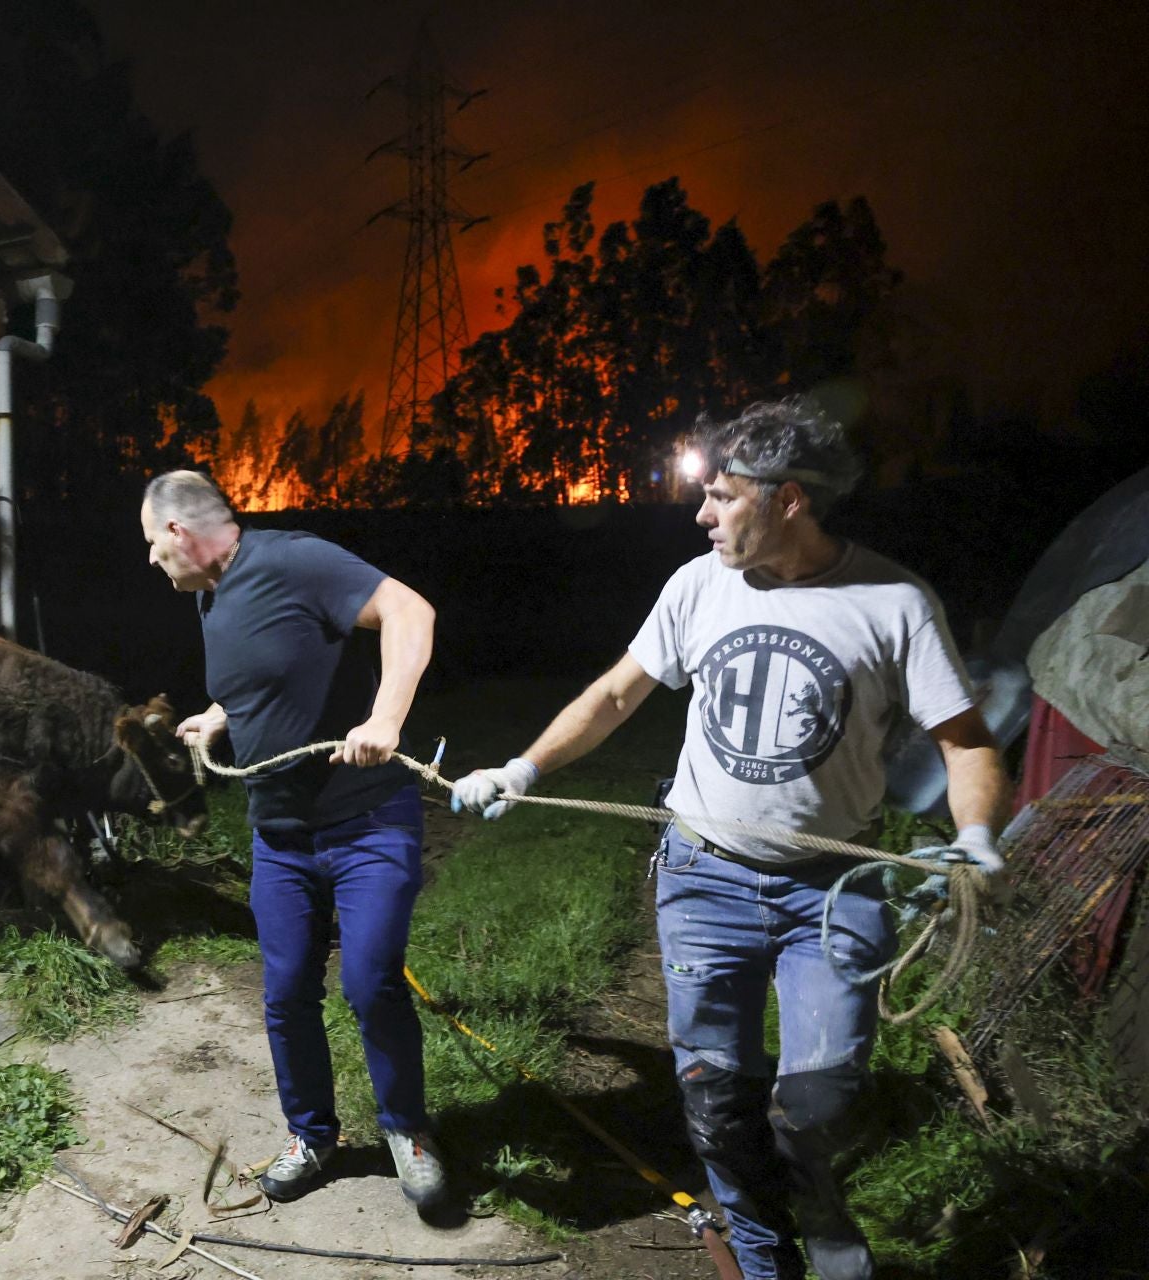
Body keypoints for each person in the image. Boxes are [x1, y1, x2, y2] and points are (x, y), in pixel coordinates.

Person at [449, 398, 1009, 1280]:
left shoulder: (895, 603)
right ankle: (758, 1251)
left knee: (816, 1102)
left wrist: (976, 835)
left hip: (832, 890)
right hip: (702, 880)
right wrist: (522, 769)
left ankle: (821, 1215)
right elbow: (615, 696)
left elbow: (965, 741)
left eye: (721, 496)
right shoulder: (696, 585)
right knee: (715, 1097)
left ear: (788, 500)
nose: (701, 515)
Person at [139, 470, 446, 1207]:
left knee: (371, 983)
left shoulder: (293, 559)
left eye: (153, 544)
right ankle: (313, 1135)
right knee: (285, 996)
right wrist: (221, 715)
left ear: (181, 532)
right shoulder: (211, 596)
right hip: (280, 836)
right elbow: (271, 673)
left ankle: (408, 1130)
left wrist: (385, 719)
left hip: (367, 820)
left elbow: (410, 609)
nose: (152, 560)